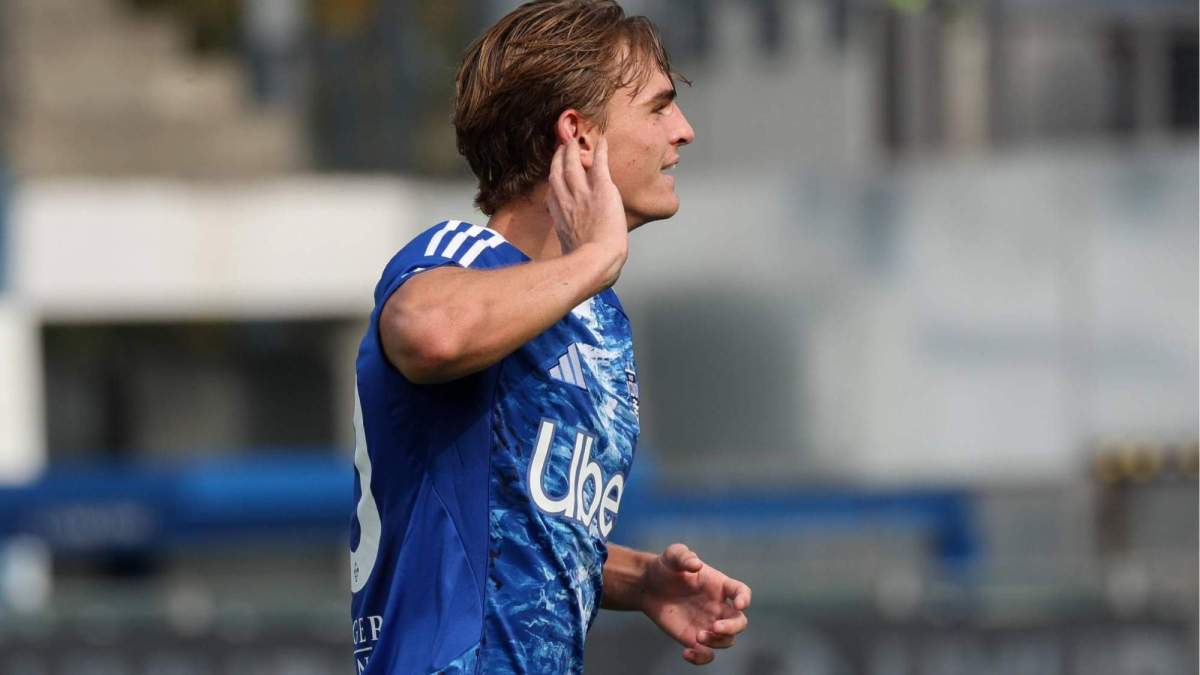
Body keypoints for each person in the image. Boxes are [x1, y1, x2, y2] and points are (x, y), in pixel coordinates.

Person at [349, 1, 751, 672]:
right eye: (658, 108)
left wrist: (638, 578)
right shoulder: (464, 255)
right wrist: (596, 257)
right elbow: (428, 332)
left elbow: (511, 525)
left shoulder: (596, 317)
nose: (683, 131)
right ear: (579, 136)